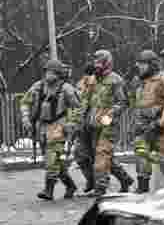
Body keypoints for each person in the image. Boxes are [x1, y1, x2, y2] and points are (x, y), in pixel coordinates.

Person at [19, 58, 81, 200]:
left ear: (58, 74)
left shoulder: (66, 88)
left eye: (52, 72)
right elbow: (25, 102)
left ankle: (49, 190)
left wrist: (71, 123)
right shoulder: (38, 86)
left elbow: (79, 107)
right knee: (53, 160)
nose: (49, 75)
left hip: (58, 125)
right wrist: (26, 118)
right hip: (42, 127)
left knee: (52, 159)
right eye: (47, 71)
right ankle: (70, 185)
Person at [80, 49, 133, 196]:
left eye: (99, 62)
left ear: (107, 63)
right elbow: (86, 100)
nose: (96, 65)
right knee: (93, 156)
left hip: (107, 125)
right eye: (95, 62)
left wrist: (108, 116)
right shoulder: (92, 80)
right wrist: (82, 119)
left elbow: (123, 102)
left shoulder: (115, 80)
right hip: (91, 124)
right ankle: (124, 178)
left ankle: (100, 188)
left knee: (102, 155)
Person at [131, 49, 164, 193]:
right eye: (138, 64)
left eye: (142, 64)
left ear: (152, 64)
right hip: (142, 124)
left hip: (158, 124)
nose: (139, 66)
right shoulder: (140, 81)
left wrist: (160, 123)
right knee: (140, 152)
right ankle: (142, 186)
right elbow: (137, 102)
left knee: (162, 154)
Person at [70, 59, 98, 193]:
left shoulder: (100, 85)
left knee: (97, 156)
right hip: (82, 125)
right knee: (79, 154)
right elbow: (76, 105)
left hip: (96, 125)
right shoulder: (80, 85)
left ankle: (122, 179)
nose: (89, 76)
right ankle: (91, 180)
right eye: (87, 73)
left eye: (91, 73)